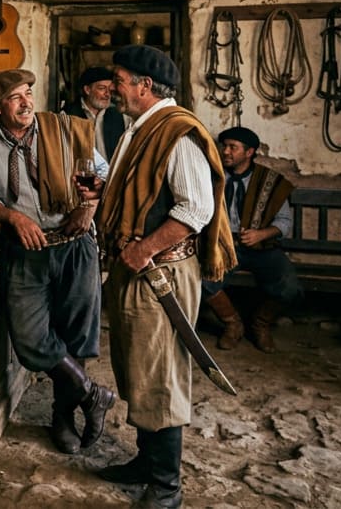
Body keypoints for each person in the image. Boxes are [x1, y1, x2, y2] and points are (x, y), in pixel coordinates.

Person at [94, 45, 236, 509]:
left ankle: (166, 486)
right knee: (138, 369)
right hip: (137, 269)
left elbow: (195, 208)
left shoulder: (176, 133)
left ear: (144, 86)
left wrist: (142, 249)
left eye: (119, 80)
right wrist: (102, 191)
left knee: (161, 376)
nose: (114, 88)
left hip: (161, 272)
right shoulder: (140, 128)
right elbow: (143, 192)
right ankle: (145, 462)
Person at [0, 69, 115, 456]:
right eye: (15, 97)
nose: (26, 102)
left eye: (28, 93)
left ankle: (62, 418)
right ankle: (92, 394)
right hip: (26, 249)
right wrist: (13, 216)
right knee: (30, 339)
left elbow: (101, 174)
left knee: (77, 336)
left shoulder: (63, 129)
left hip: (75, 243)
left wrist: (89, 205)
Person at [203, 126, 302, 353]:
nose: (225, 152)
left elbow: (285, 222)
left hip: (261, 247)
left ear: (249, 152)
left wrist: (262, 233)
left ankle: (260, 324)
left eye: (232, 147)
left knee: (290, 287)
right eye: (224, 146)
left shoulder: (269, 181)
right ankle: (233, 324)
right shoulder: (214, 177)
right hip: (224, 246)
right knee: (201, 280)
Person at [63, 66, 129, 163]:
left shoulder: (119, 115)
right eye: (102, 88)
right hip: (81, 175)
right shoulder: (68, 115)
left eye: (110, 90)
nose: (107, 94)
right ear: (87, 90)